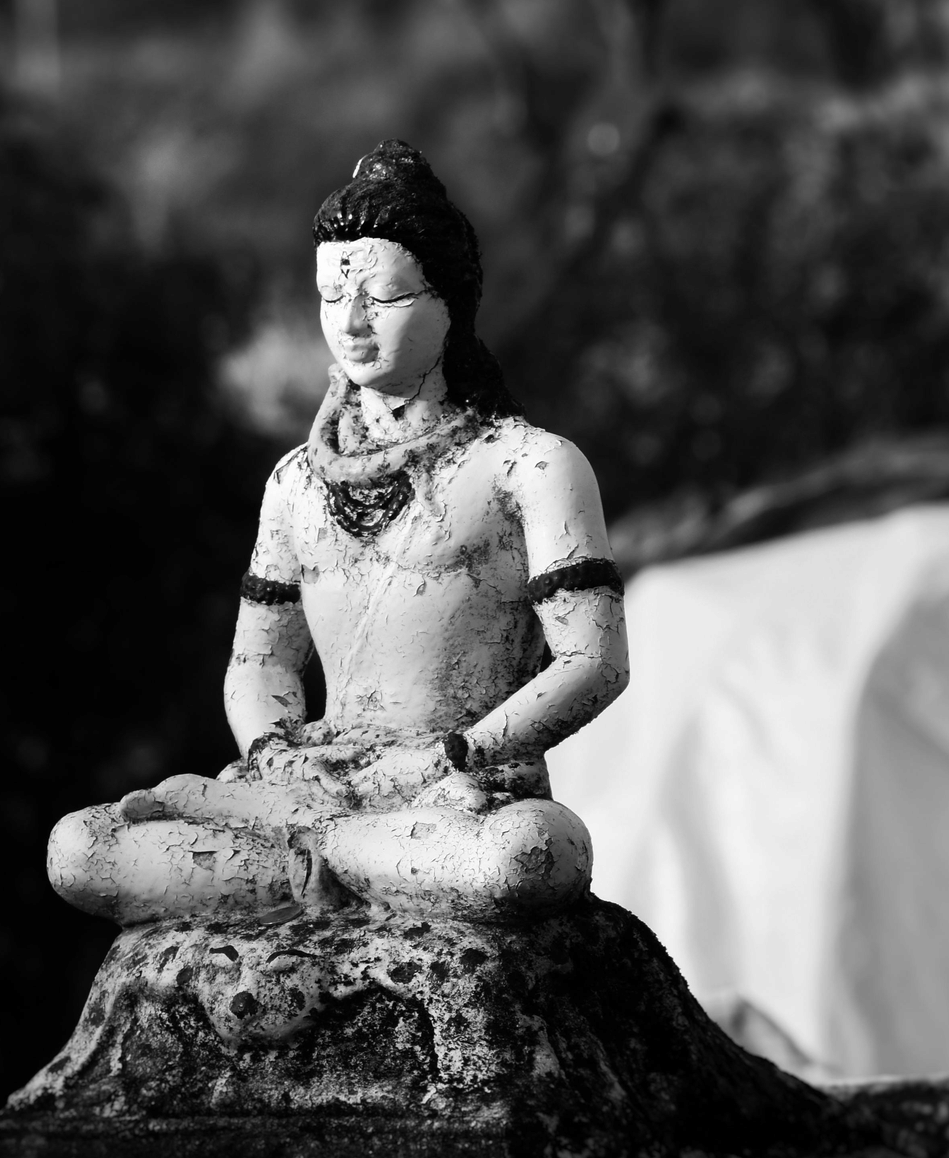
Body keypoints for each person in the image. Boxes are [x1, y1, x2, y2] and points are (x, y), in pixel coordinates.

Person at [48, 141, 629, 926]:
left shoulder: (528, 465)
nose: (350, 324)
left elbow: (593, 662)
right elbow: (258, 661)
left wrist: (453, 756)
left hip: (449, 794)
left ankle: (310, 863)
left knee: (533, 852)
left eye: (381, 299)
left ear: (449, 301)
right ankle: (327, 857)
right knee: (79, 847)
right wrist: (273, 753)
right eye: (329, 297)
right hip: (308, 782)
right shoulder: (295, 481)